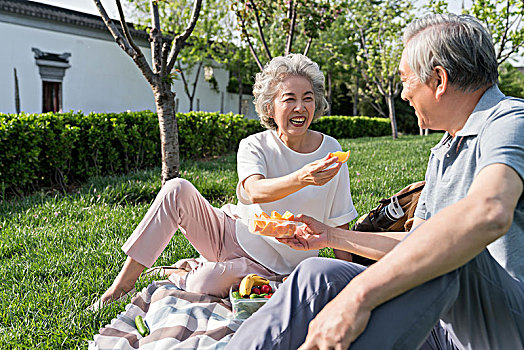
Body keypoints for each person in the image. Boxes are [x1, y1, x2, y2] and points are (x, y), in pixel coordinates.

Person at [225, 13, 524, 349]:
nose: (403, 94)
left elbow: (488, 214)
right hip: (441, 321)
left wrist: (359, 298)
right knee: (317, 274)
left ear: (439, 80)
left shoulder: (510, 121)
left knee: (449, 252)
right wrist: (331, 236)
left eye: (406, 80)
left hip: (503, 327)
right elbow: (413, 243)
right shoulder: (444, 150)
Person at [90, 53, 358, 309]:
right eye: (289, 99)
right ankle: (121, 287)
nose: (300, 107)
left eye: (307, 98)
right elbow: (253, 191)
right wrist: (302, 178)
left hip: (276, 267)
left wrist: (350, 281)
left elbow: (339, 221)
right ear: (270, 107)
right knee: (176, 189)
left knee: (202, 283)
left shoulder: (330, 152)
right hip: (230, 233)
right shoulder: (254, 145)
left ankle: (184, 270)